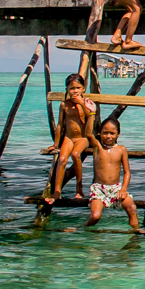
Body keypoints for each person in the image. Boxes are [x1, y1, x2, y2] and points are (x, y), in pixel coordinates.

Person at [42, 73, 101, 212]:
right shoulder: (64, 105)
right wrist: (56, 144)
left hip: (83, 138)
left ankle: (79, 187)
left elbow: (90, 119)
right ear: (67, 90)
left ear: (83, 89)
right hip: (69, 137)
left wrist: (82, 103)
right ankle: (57, 191)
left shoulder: (86, 103)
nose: (75, 91)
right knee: (62, 159)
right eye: (72, 88)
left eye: (78, 88)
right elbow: (60, 125)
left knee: (75, 154)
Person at [83, 120, 145, 232]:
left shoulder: (121, 150)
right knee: (95, 216)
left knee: (131, 207)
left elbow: (127, 172)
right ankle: (83, 229)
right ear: (99, 133)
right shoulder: (97, 147)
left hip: (116, 188)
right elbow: (88, 134)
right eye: (105, 133)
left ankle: (135, 232)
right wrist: (92, 114)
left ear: (118, 134)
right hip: (99, 189)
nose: (108, 136)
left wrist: (123, 189)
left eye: (112, 133)